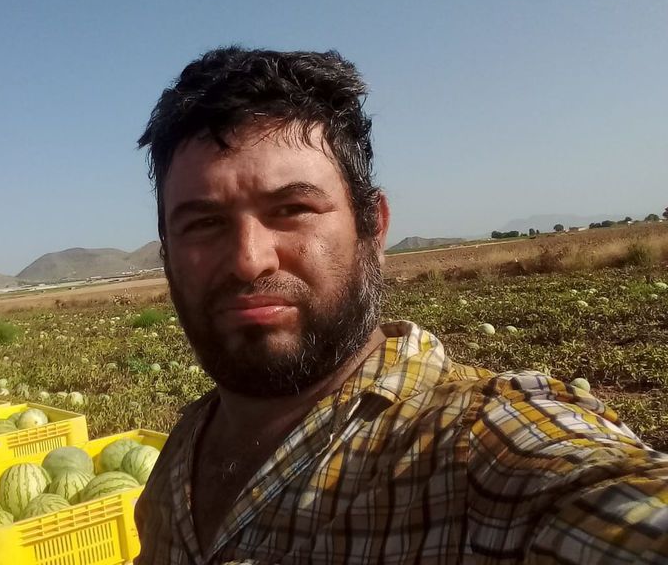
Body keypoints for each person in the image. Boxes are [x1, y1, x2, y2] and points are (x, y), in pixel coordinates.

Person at [133, 46, 668, 564]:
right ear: (168, 252)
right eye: (203, 223)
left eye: (293, 208)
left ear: (373, 227)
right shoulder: (182, 451)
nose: (248, 260)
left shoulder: (477, 449)